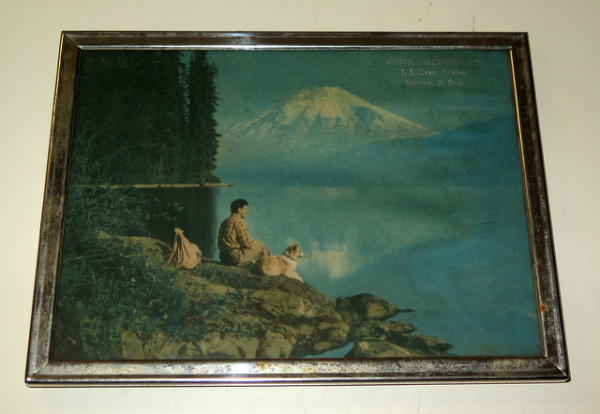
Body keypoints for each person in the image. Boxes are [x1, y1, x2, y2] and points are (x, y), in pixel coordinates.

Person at [217, 199, 270, 266]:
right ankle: (267, 267)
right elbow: (246, 244)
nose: (247, 212)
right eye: (245, 209)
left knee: (255, 244)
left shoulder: (224, 222)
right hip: (234, 258)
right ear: (239, 210)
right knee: (263, 247)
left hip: (223, 256)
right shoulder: (239, 222)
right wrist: (253, 243)